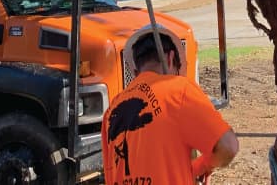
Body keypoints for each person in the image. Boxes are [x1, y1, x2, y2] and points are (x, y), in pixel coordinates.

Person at [101, 31, 238, 184]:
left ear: (135, 72)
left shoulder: (111, 110)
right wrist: (204, 165)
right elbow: (228, 146)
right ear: (170, 58)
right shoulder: (179, 90)